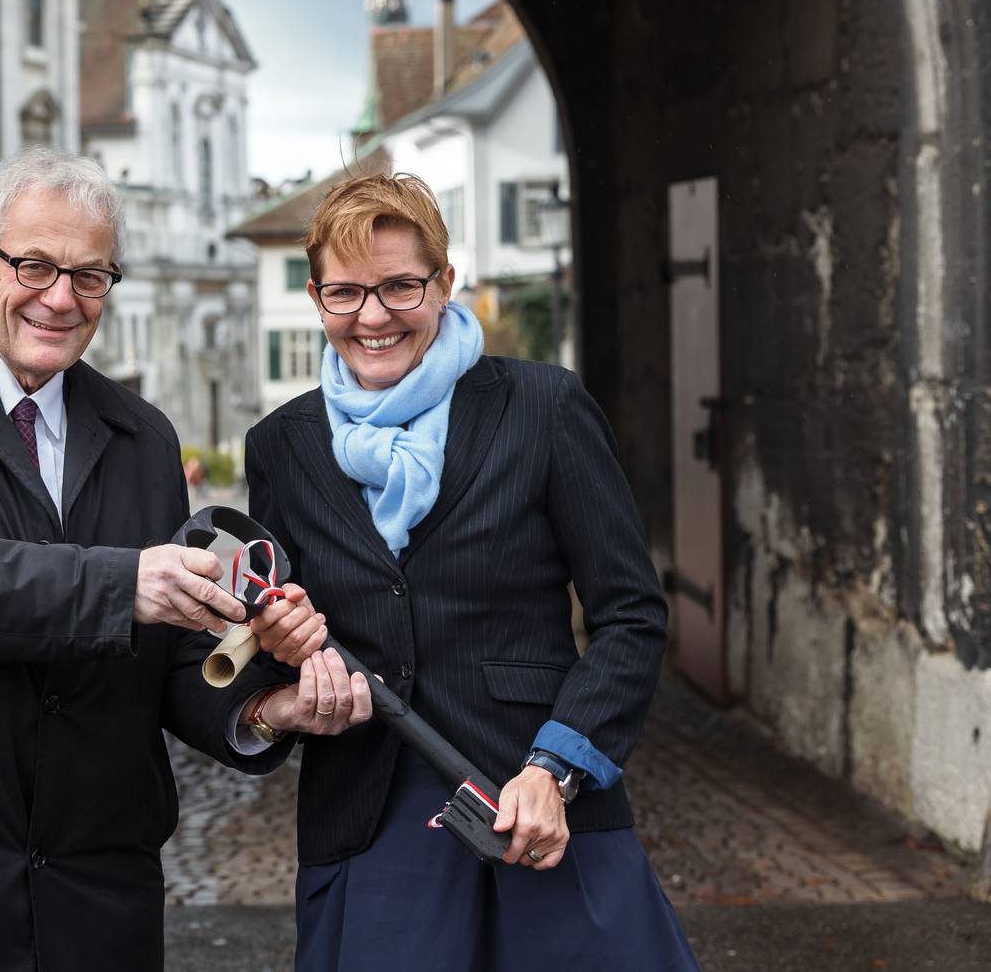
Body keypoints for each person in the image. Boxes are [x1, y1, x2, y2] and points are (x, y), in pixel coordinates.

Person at [0, 148, 368, 971]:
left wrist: (261, 710)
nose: (60, 298)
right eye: (36, 265)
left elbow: (167, 658)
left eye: (90, 275)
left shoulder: (142, 435)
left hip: (92, 896)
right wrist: (122, 583)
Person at [240, 172, 699, 970]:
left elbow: (631, 613)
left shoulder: (543, 407)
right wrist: (279, 649)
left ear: (446, 283)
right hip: (370, 817)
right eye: (345, 293)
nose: (373, 316)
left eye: (400, 286)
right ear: (316, 298)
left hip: (536, 805)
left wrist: (555, 768)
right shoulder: (282, 444)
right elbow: (265, 632)